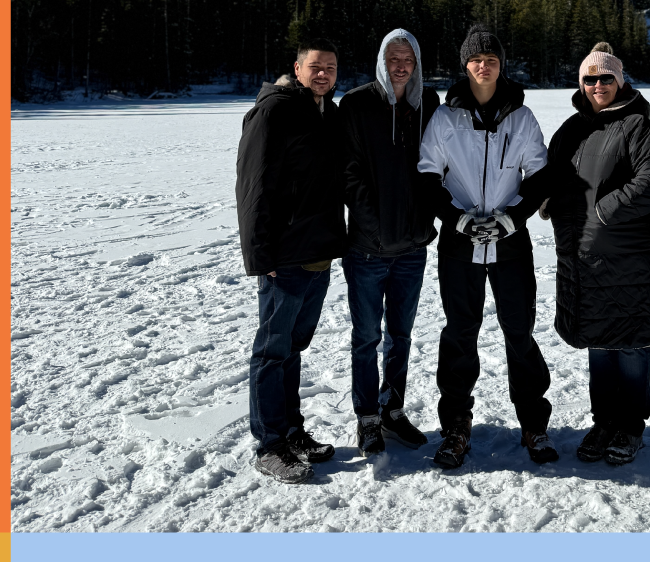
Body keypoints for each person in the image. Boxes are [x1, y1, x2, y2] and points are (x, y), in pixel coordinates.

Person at [418, 24, 555, 469]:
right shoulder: (445, 118)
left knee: (519, 331)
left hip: (510, 244)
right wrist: (456, 219)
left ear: (501, 65)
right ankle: (456, 426)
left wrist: (512, 218)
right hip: (459, 244)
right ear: (465, 64)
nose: (484, 66)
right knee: (460, 333)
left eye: (491, 59)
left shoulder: (522, 117)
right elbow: (428, 177)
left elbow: (539, 177)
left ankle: (533, 423)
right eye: (476, 59)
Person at [544, 43, 650, 466]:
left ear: (620, 82)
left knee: (633, 345)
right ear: (581, 83)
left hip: (629, 259)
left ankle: (631, 426)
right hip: (583, 257)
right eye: (590, 79)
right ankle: (604, 422)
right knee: (598, 344)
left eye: (606, 78)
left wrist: (605, 209)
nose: (598, 85)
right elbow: (551, 174)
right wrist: (549, 201)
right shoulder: (570, 129)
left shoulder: (637, 127)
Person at [235, 40, 347, 484]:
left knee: (293, 348)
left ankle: (291, 431)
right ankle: (269, 444)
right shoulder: (274, 111)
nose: (323, 74)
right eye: (315, 67)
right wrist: (260, 255)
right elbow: (253, 185)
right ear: (297, 69)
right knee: (271, 350)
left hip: (318, 252)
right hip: (283, 256)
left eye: (330, 68)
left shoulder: (327, 113)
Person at [339, 29, 440, 456]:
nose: (401, 66)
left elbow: (438, 167)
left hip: (412, 248)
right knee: (366, 337)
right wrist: (376, 227)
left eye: (408, 59)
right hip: (368, 249)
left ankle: (392, 410)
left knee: (401, 335)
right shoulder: (357, 103)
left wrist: (425, 221)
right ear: (382, 60)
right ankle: (367, 417)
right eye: (393, 58)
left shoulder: (427, 103)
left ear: (417, 64)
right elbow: (349, 173)